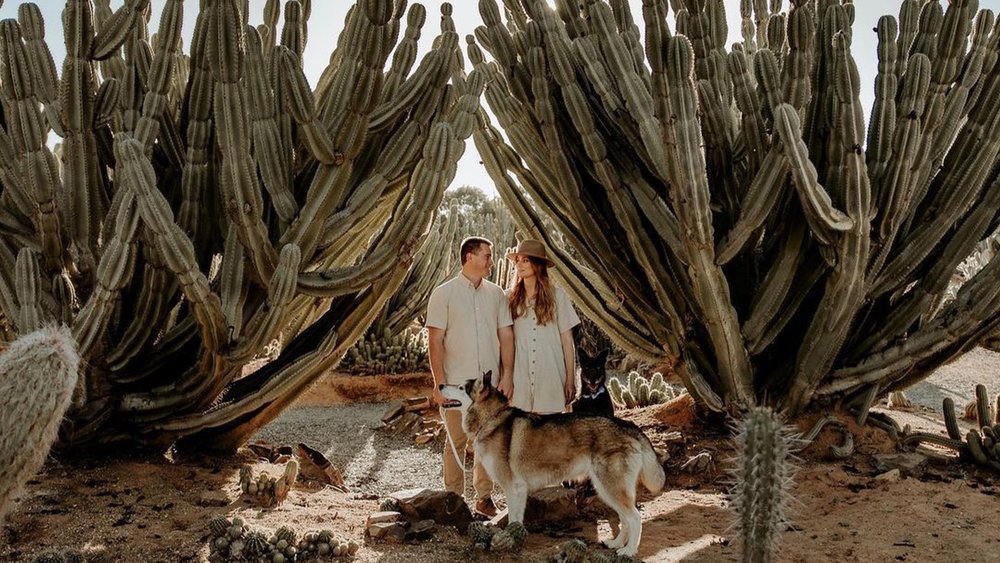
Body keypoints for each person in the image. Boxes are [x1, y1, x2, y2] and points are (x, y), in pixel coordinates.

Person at [425, 236, 514, 518]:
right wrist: (439, 384)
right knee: (456, 443)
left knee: (488, 443)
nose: (491, 261)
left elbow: (506, 335)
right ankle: (454, 500)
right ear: (469, 257)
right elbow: (435, 341)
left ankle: (484, 498)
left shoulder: (496, 294)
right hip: (457, 385)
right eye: (487, 256)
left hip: (489, 388)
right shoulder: (444, 294)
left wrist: (508, 374)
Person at [503, 239, 580, 414]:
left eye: (525, 260)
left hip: (550, 376)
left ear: (537, 265)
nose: (519, 265)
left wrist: (570, 380)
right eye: (518, 260)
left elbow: (567, 342)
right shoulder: (509, 299)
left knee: (550, 435)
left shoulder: (558, 297)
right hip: (520, 379)